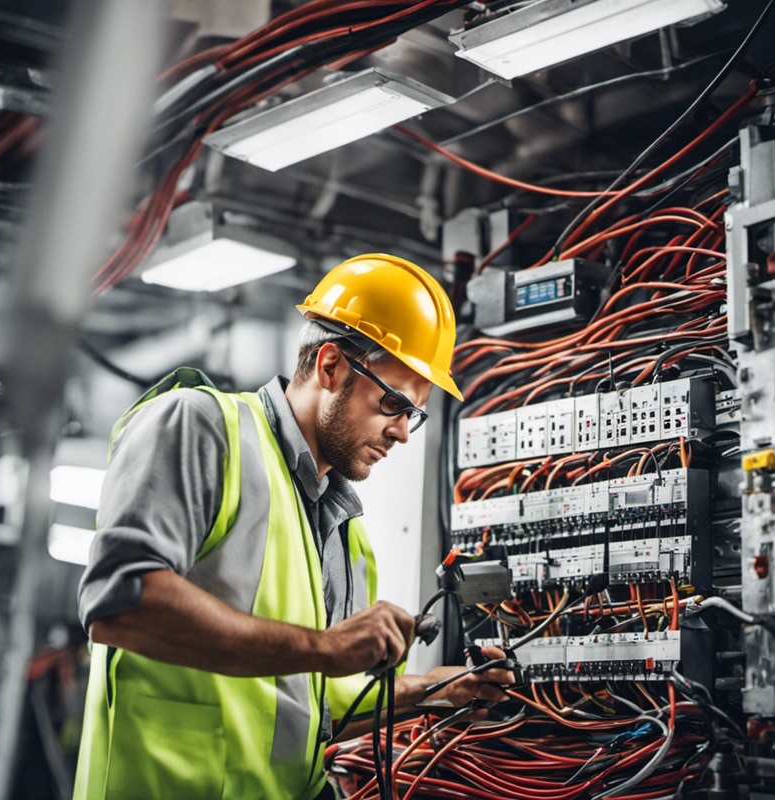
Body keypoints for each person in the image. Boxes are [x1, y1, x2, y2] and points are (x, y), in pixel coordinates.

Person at [73, 253, 510, 800]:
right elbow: (120, 604)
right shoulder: (202, 425)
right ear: (330, 367)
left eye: (414, 414)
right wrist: (326, 648)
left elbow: (318, 712)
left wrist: (435, 688)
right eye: (394, 403)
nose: (402, 433)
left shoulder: (346, 535)